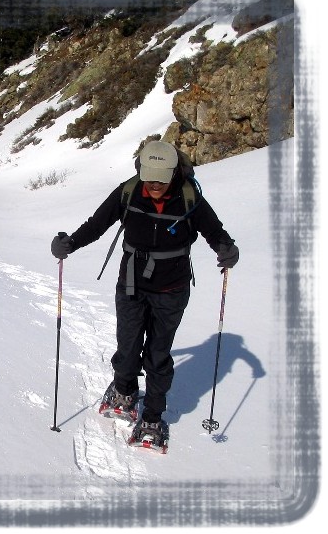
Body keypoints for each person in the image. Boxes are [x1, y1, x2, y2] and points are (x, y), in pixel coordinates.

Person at [50, 140, 239, 443]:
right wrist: (70, 243)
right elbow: (97, 224)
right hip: (131, 284)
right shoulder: (129, 191)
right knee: (127, 346)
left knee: (158, 354)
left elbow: (214, 231)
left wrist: (226, 249)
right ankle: (124, 391)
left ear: (173, 173)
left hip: (172, 289)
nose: (154, 185)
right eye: (149, 176)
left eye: (161, 179)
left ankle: (152, 416)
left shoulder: (189, 196)